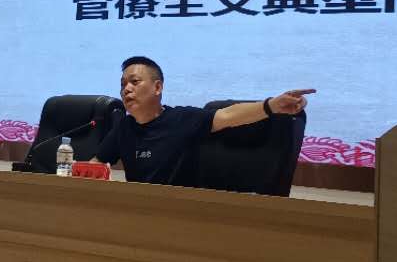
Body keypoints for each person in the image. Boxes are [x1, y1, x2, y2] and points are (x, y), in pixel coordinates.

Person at [95, 55, 314, 186]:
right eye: (123, 84)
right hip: (138, 211)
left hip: (182, 213)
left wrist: (271, 105)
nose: (126, 89)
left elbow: (228, 115)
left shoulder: (182, 119)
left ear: (158, 87)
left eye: (134, 82)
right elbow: (97, 163)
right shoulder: (124, 127)